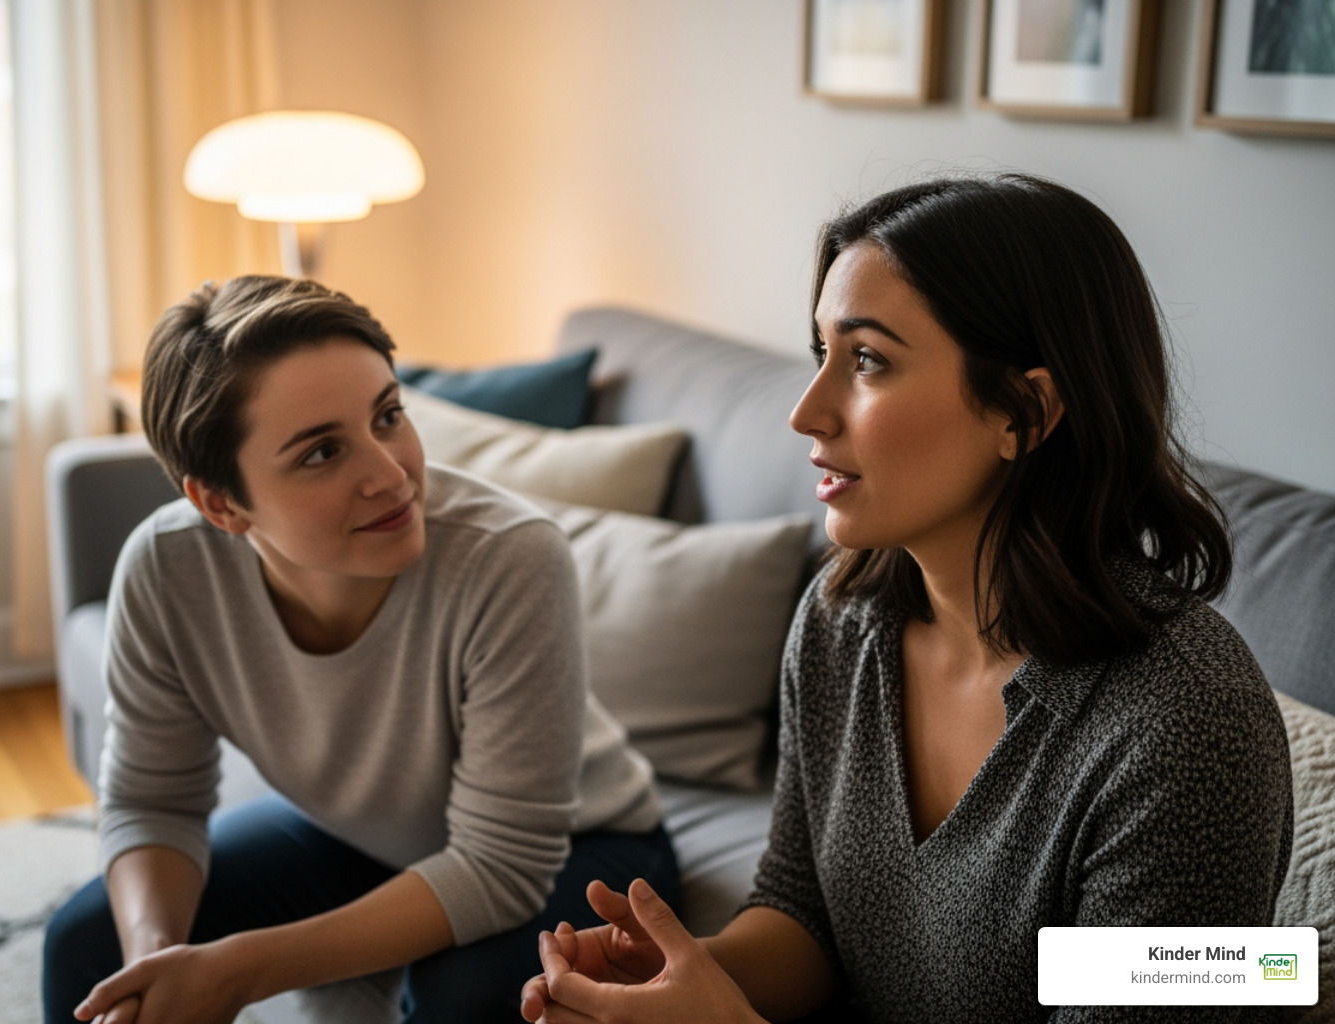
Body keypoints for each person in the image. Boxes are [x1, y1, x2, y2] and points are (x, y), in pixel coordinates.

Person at [520, 173, 1294, 1023]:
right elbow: (806, 913)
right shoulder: (842, 623)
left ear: (1025, 413)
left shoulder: (1189, 722)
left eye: (867, 361)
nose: (806, 413)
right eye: (822, 354)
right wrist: (685, 978)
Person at [41, 276, 678, 1024]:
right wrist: (158, 965)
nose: (390, 475)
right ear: (221, 503)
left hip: (586, 847)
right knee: (87, 947)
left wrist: (238, 971)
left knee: (462, 1001)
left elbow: (502, 865)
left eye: (388, 416)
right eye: (320, 454)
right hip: (364, 833)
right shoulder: (166, 570)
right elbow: (154, 798)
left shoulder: (510, 559)